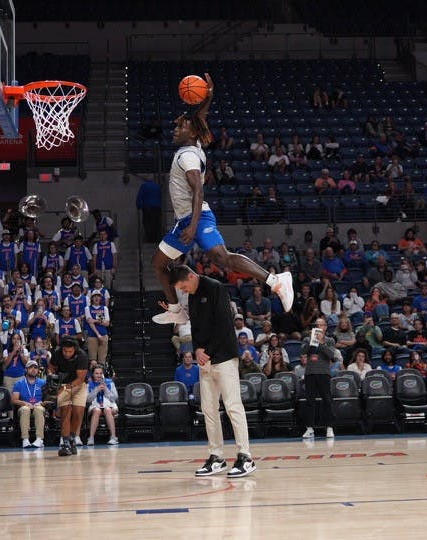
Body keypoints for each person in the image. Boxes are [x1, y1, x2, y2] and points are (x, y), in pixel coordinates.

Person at [151, 74, 293, 326]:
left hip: (197, 218)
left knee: (221, 257)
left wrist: (193, 226)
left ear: (191, 132)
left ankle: (276, 280)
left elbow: (199, 192)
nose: (174, 130)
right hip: (184, 221)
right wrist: (208, 97)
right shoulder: (192, 148)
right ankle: (176, 310)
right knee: (159, 264)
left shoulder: (188, 157)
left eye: (179, 127)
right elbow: (200, 119)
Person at [170, 264, 255, 478]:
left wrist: (207, 350)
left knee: (233, 406)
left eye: (184, 286)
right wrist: (197, 349)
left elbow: (225, 325)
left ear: (191, 276)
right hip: (205, 359)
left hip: (224, 356)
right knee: (208, 409)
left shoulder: (215, 287)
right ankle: (216, 456)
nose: (183, 290)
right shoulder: (192, 295)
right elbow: (196, 326)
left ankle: (245, 456)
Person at [49, 338, 88, 456]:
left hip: (78, 385)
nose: (67, 354)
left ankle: (72, 438)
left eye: (69, 352)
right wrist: (51, 375)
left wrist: (66, 388)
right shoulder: (57, 353)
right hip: (63, 384)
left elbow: (80, 378)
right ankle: (65, 443)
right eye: (65, 351)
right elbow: (51, 367)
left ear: (75, 350)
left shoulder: (82, 356)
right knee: (65, 412)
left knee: (78, 412)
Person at [300, 321, 336, 439]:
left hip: (323, 373)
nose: (318, 327)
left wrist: (321, 342)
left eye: (321, 325)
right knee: (310, 401)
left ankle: (329, 427)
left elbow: (331, 356)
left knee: (327, 400)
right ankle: (309, 428)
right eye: (316, 325)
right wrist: (312, 340)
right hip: (310, 373)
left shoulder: (329, 340)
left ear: (325, 327)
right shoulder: (307, 339)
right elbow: (303, 351)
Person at [11, 360, 47, 448]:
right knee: (25, 409)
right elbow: (14, 400)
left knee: (38, 409)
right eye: (31, 367)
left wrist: (41, 403)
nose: (33, 369)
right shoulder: (19, 383)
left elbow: (49, 399)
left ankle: (39, 439)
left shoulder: (43, 383)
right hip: (24, 407)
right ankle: (25, 439)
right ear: (26, 369)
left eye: (35, 367)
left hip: (38, 406)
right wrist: (25, 403)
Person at [85, 366, 119, 445]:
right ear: (92, 374)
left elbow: (115, 398)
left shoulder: (110, 383)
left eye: (100, 373)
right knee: (97, 410)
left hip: (110, 405)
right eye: (96, 373)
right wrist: (96, 390)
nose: (99, 375)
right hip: (95, 405)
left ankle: (114, 437)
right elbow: (88, 400)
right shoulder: (89, 384)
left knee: (107, 409)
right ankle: (91, 438)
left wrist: (106, 390)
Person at [136, 177, 163, 243]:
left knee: (147, 223)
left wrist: (138, 206)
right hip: (157, 207)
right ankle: (156, 239)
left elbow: (140, 196)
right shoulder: (157, 186)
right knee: (156, 223)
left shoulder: (144, 186)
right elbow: (160, 196)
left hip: (147, 207)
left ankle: (149, 239)